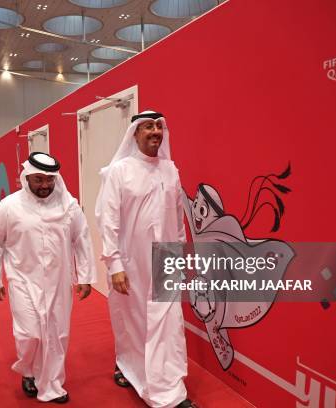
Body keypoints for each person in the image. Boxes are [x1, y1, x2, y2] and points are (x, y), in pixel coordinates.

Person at [95, 111, 197, 408]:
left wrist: (180, 255)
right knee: (134, 320)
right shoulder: (120, 171)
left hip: (166, 259)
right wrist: (114, 264)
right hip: (131, 262)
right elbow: (108, 220)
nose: (155, 131)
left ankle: (167, 392)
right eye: (148, 127)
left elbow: (178, 218)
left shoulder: (170, 169)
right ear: (134, 134)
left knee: (167, 322)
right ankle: (128, 365)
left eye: (159, 126)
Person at [0, 152, 97, 404]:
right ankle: (28, 370)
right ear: (26, 178)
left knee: (57, 335)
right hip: (22, 279)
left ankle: (52, 383)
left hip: (59, 281)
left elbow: (82, 239)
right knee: (29, 333)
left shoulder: (68, 205)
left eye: (49, 180)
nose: (44, 185)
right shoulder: (9, 206)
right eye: (38, 179)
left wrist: (86, 276)